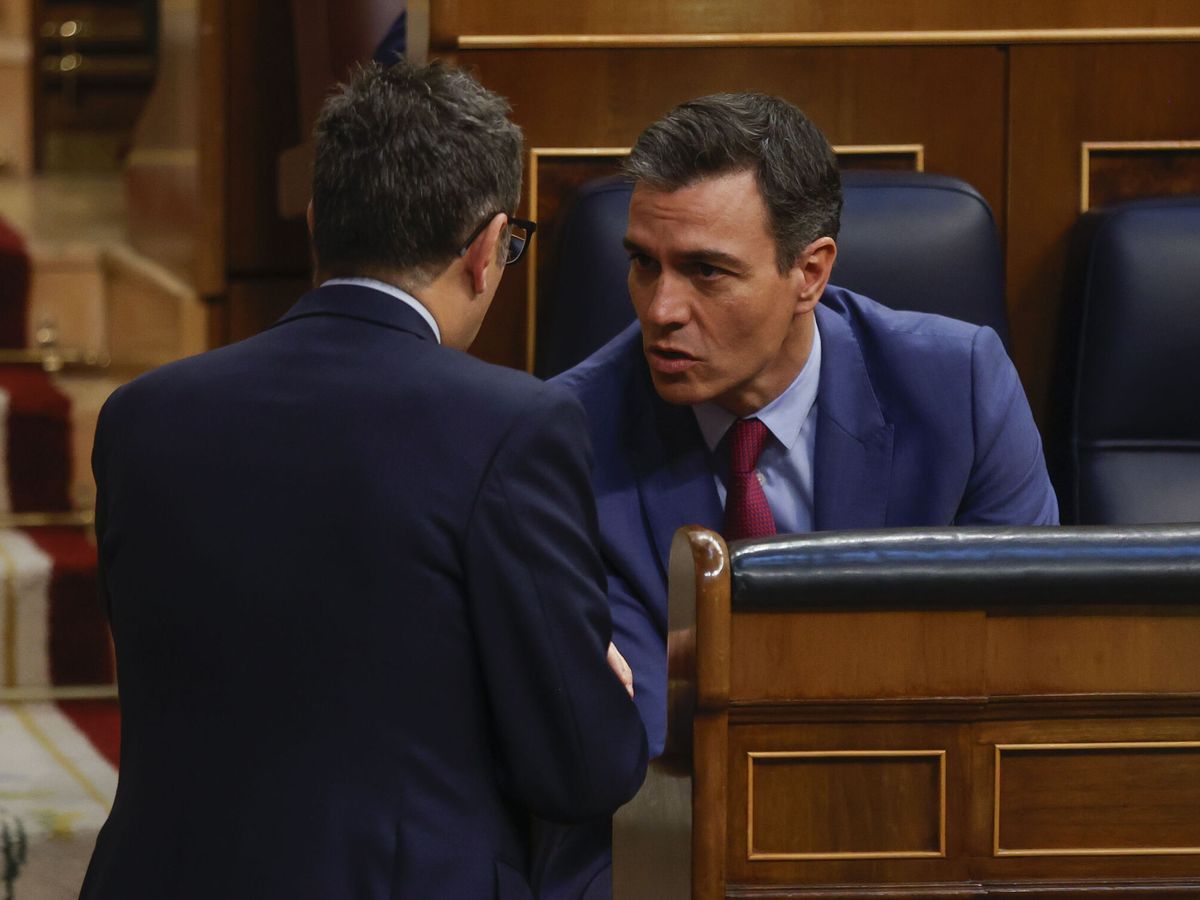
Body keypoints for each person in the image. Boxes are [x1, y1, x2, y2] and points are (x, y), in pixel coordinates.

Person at [79, 60, 647, 899]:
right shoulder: (512, 426)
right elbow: (581, 770)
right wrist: (593, 681)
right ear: (489, 248)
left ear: (316, 223)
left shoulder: (141, 417)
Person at [541, 91, 1058, 898]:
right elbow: (640, 760)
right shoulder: (569, 436)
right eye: (644, 263)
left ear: (809, 272)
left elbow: (1027, 681)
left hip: (918, 847)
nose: (660, 310)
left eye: (706, 271)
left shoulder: (958, 390)